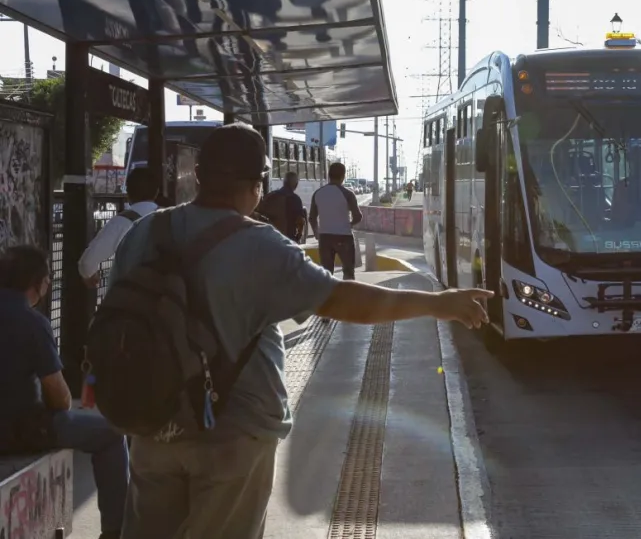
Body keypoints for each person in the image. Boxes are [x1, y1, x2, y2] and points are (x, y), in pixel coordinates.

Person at [110, 123, 490, 539]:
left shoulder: (144, 232)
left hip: (150, 423)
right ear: (257, 185)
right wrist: (436, 304)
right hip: (232, 432)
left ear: (198, 174)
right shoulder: (259, 245)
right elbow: (341, 299)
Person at [0, 245, 128, 539]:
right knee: (110, 434)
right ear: (39, 284)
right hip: (16, 430)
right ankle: (115, 530)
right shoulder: (32, 322)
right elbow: (59, 398)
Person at [78, 167, 159, 287]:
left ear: (128, 193)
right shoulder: (171, 218)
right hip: (167, 298)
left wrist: (88, 275)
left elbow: (87, 263)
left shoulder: (122, 222)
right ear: (157, 192)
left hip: (132, 296)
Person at [310, 161, 363, 280]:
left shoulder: (318, 193)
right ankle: (347, 297)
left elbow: (312, 217)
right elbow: (358, 216)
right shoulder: (348, 194)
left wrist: (316, 233)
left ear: (329, 175)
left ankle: (328, 297)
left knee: (326, 274)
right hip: (344, 237)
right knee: (348, 272)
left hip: (325, 237)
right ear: (343, 176)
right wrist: (349, 224)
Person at [256, 171, 307, 243]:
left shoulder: (270, 196)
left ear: (284, 182)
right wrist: (299, 235)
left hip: (269, 237)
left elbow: (259, 214)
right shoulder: (295, 199)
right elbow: (300, 221)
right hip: (288, 238)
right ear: (296, 184)